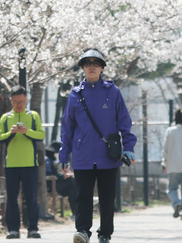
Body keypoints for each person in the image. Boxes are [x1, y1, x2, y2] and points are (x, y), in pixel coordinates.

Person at [59, 49, 136, 243]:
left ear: (102, 68)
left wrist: (128, 147)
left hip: (108, 155)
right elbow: (67, 128)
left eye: (95, 63)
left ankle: (105, 234)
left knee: (107, 198)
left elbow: (124, 123)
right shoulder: (74, 95)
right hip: (82, 155)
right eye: (87, 63)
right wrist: (63, 155)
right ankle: (83, 231)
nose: (91, 66)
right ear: (83, 68)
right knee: (82, 196)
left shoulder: (113, 92)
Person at [0, 86, 46, 239]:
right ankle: (13, 230)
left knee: (31, 198)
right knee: (11, 198)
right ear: (11, 101)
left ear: (26, 100)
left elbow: (41, 135)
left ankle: (33, 228)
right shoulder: (5, 118)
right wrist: (10, 133)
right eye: (16, 102)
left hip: (30, 164)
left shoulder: (33, 116)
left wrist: (27, 132)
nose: (19, 105)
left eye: (22, 102)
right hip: (11, 165)